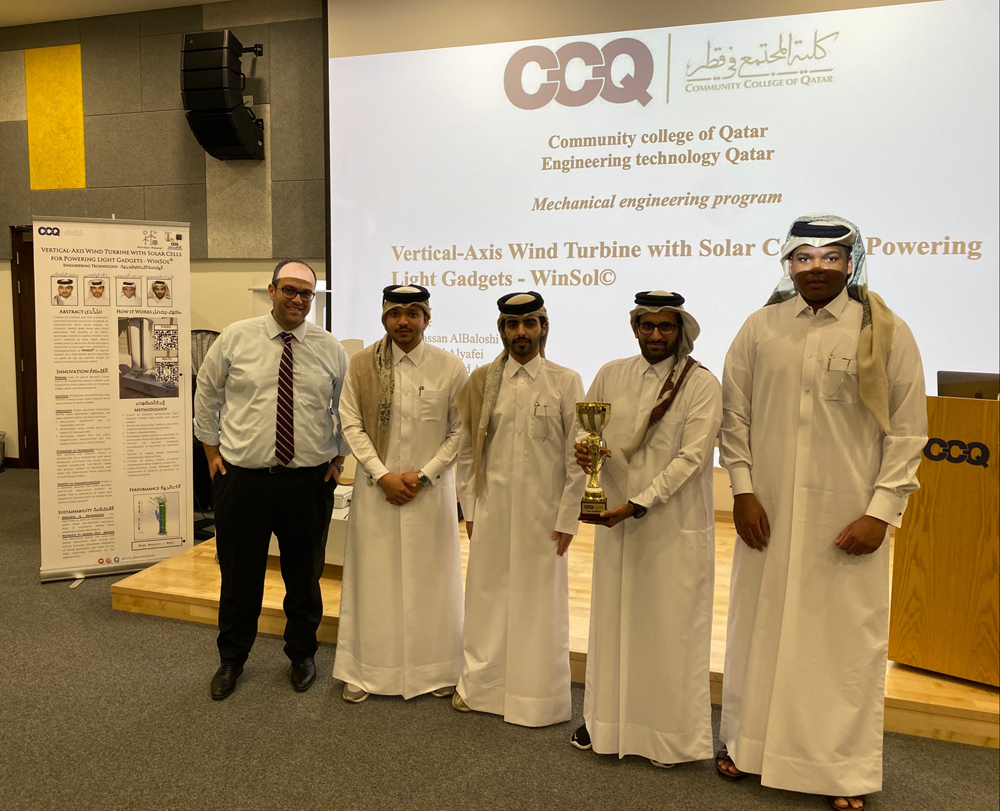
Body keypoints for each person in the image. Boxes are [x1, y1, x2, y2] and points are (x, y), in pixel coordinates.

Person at [718, 215, 927, 810]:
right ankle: (749, 746)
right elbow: (735, 417)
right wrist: (741, 490)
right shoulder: (761, 327)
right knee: (760, 631)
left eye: (830, 257)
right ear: (788, 264)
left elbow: (908, 430)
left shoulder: (884, 331)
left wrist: (881, 512)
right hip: (768, 514)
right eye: (804, 257)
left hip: (847, 516)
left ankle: (839, 769)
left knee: (839, 645)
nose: (816, 268)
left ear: (850, 263)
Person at [570, 291, 722, 768]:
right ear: (635, 328)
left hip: (670, 526)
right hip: (616, 521)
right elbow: (586, 429)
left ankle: (666, 737)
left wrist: (638, 504)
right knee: (612, 622)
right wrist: (585, 449)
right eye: (647, 325)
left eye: (666, 326)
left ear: (680, 330)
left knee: (667, 630)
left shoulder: (701, 383)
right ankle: (604, 722)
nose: (656, 335)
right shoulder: (611, 373)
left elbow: (692, 458)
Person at [193, 259, 350, 701]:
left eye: (306, 293)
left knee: (305, 576)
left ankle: (302, 654)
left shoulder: (330, 348)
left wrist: (340, 457)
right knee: (239, 576)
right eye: (289, 290)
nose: (298, 299)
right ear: (272, 290)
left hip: (307, 483)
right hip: (244, 481)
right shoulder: (235, 338)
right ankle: (232, 658)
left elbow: (346, 409)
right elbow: (206, 395)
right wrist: (210, 450)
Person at [452, 291, 586, 727]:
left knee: (539, 606)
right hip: (491, 511)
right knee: (487, 602)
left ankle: (536, 700)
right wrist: (471, 511)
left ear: (543, 328)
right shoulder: (482, 381)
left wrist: (568, 516)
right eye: (513, 325)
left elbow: (576, 455)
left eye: (530, 323)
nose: (521, 332)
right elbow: (468, 452)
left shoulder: (565, 381)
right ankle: (481, 689)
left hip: (544, 517)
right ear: (503, 330)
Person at [334, 285, 469, 703]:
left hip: (430, 495)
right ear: (384, 318)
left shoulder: (450, 367)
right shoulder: (362, 365)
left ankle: (438, 668)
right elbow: (351, 423)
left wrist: (424, 477)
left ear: (427, 318)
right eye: (395, 313)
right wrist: (382, 476)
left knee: (433, 581)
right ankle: (365, 670)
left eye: (413, 313)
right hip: (378, 492)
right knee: (373, 580)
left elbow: (460, 430)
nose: (404, 321)